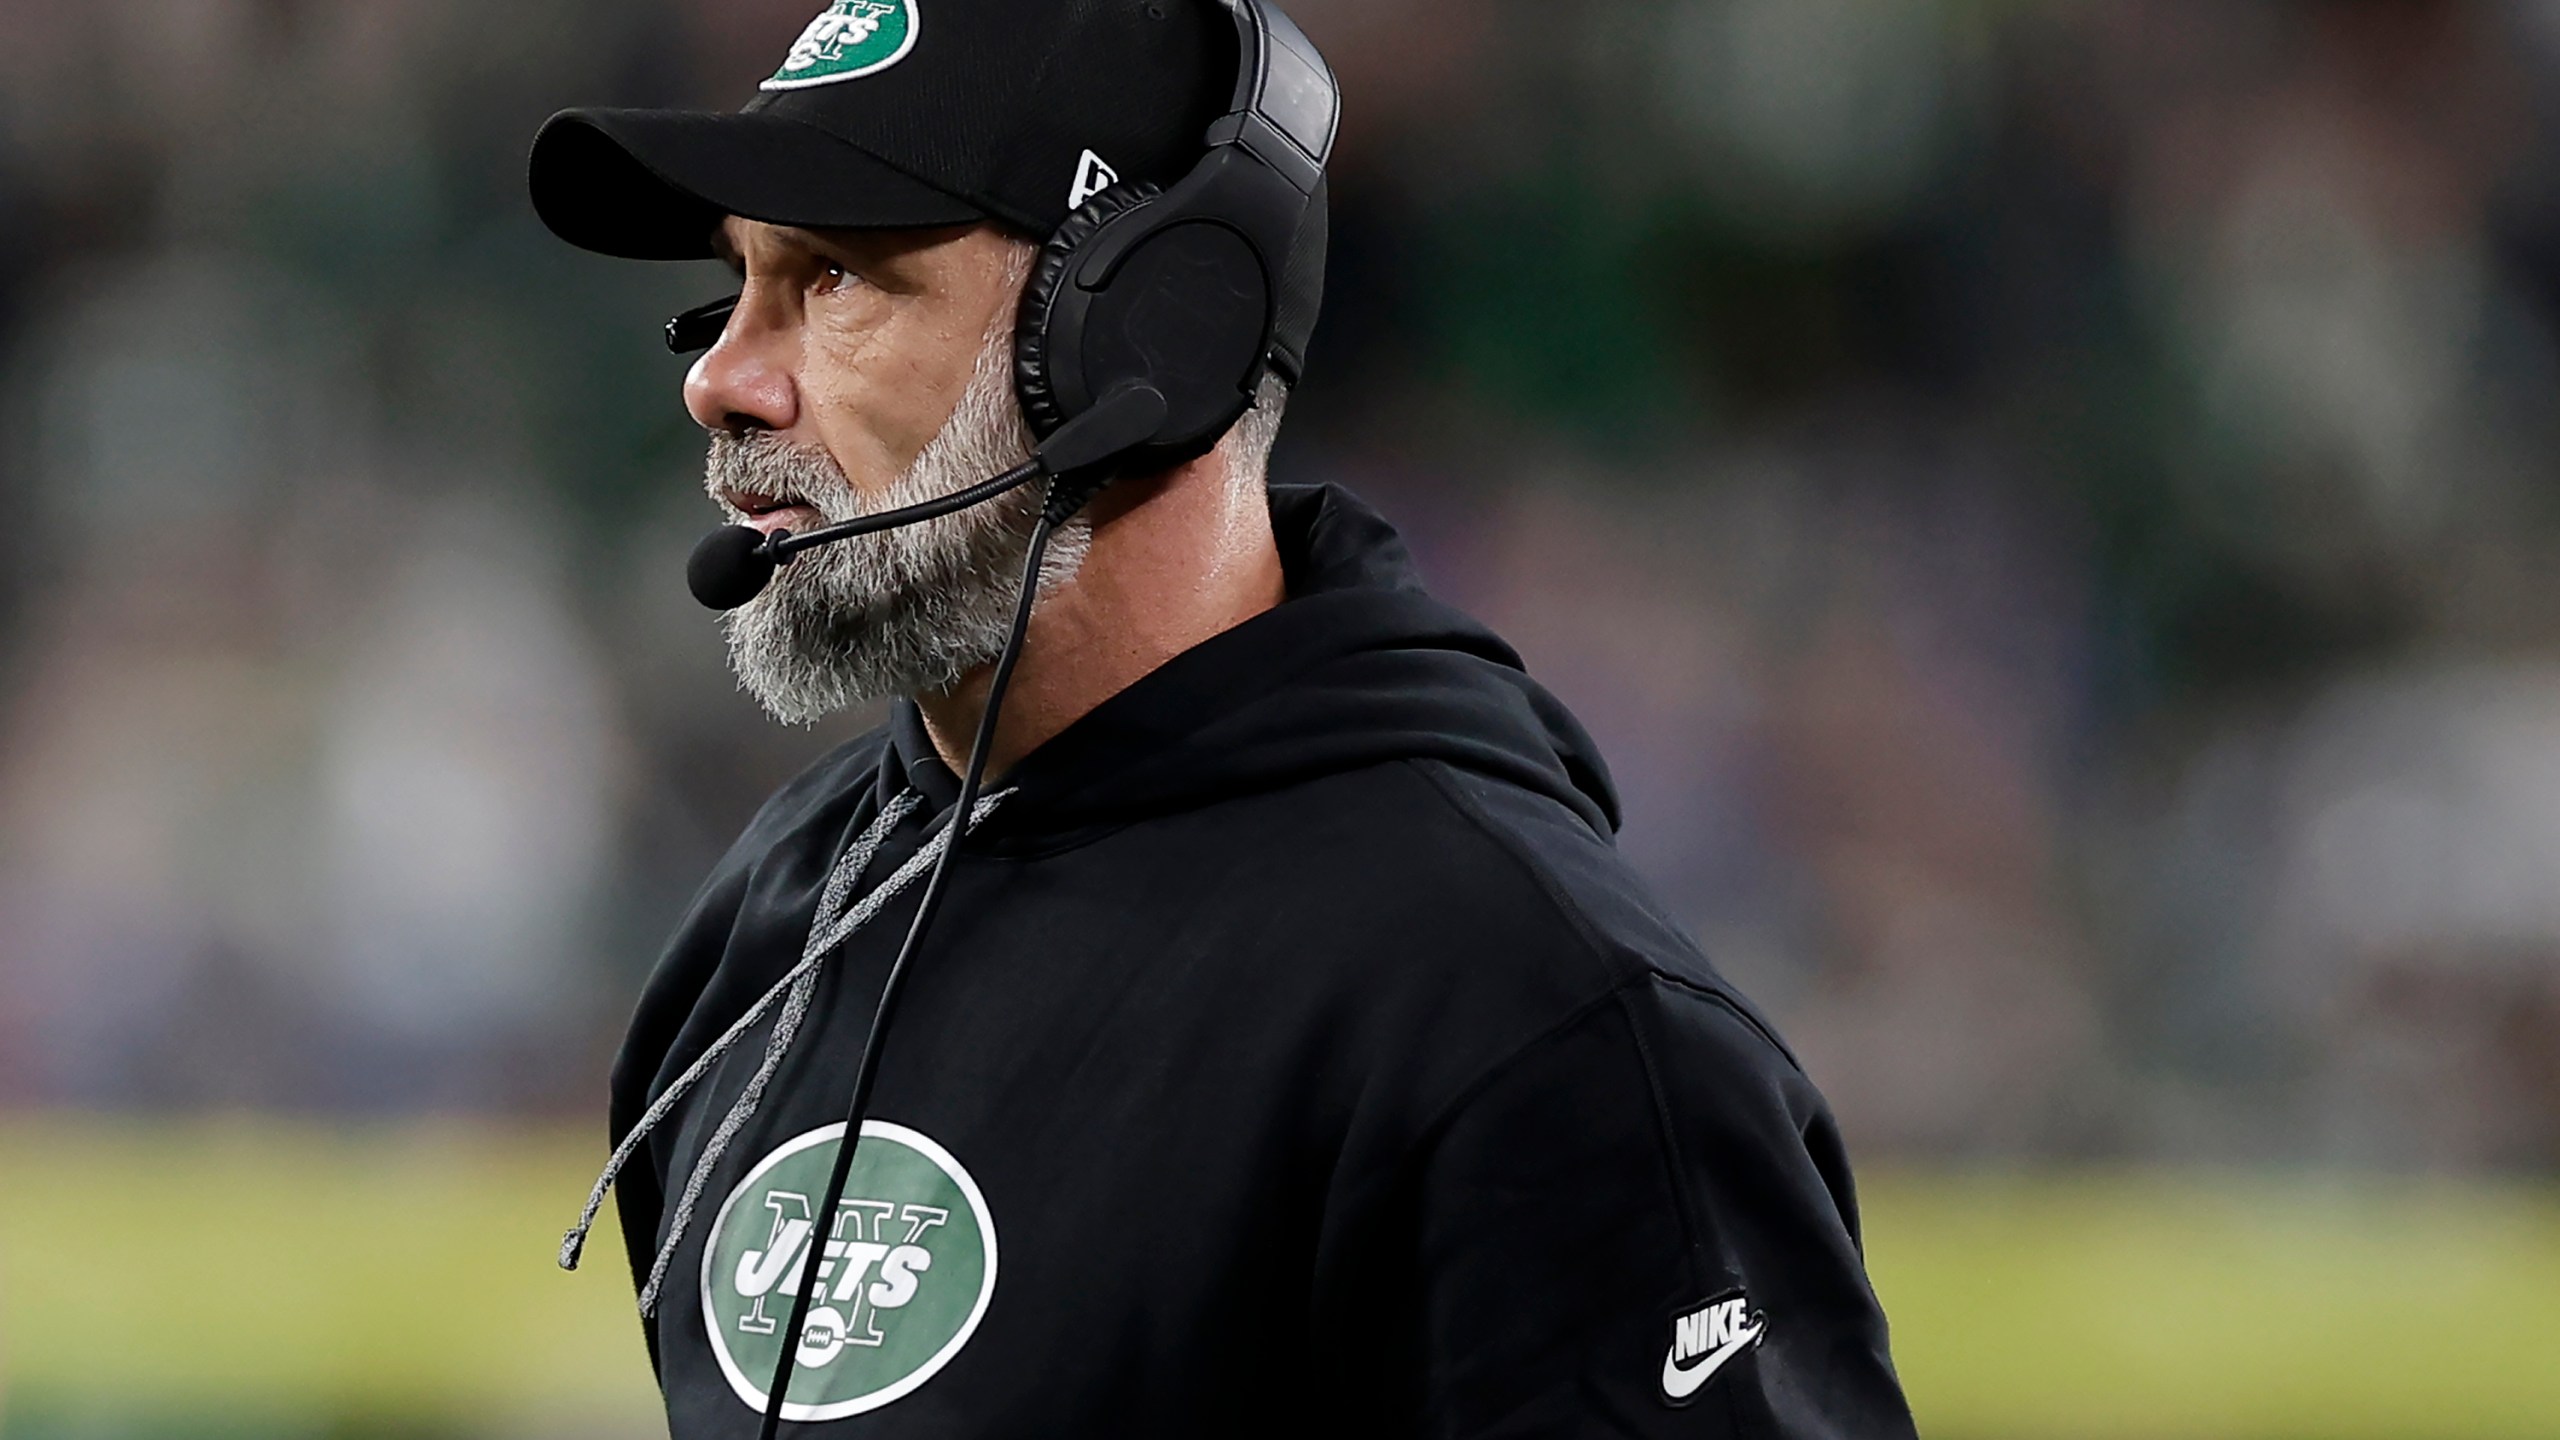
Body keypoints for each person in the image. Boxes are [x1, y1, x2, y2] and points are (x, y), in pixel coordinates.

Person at [527, 1, 1917, 1435]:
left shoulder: (1528, 1016)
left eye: (832, 279)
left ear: (1145, 338)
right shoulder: (762, 940)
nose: (719, 378)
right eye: (733, 289)